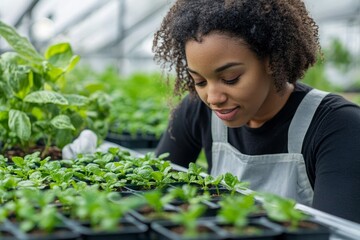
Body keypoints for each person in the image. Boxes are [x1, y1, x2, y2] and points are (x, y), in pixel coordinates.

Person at [152, 0, 360, 223]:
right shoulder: (197, 110)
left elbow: (337, 232)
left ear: (271, 61)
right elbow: (154, 192)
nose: (213, 98)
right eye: (200, 81)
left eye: (230, 79)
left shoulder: (338, 126)